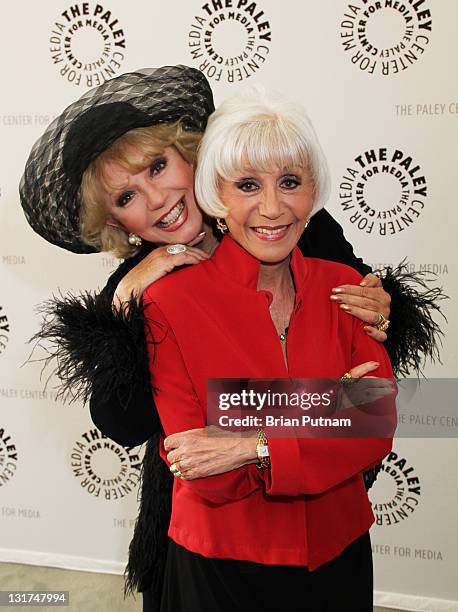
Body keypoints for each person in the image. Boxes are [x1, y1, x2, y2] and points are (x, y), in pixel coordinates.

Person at [19, 66, 444, 610]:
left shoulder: (297, 227)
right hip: (205, 532)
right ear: (116, 221)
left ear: (189, 156)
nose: (153, 198)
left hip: (328, 522)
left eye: (157, 166)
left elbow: (373, 405)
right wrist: (124, 310)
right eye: (126, 197)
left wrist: (387, 317)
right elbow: (128, 425)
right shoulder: (142, 292)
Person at [141, 87, 396, 611]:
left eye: (290, 182)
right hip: (221, 562)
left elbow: (377, 424)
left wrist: (248, 440)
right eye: (248, 185)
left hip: (339, 551)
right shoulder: (168, 301)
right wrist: (331, 406)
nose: (273, 208)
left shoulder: (346, 288)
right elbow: (199, 466)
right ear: (216, 194)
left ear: (313, 190)